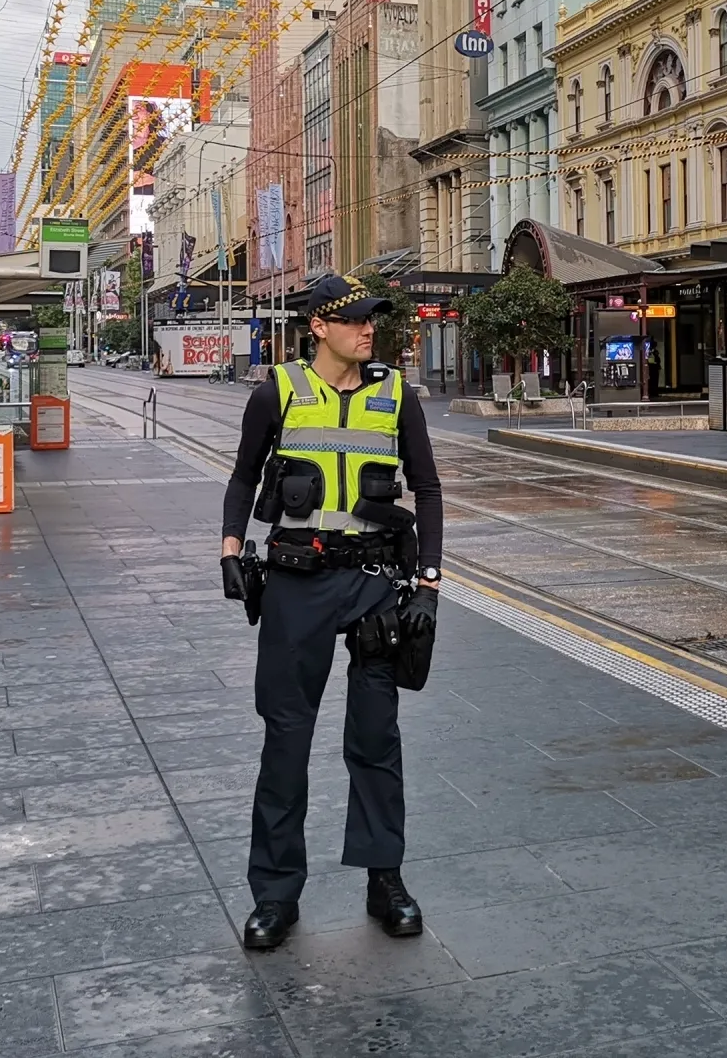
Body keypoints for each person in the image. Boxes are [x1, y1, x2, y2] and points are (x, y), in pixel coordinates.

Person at [220, 272, 444, 951]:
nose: (367, 329)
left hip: (376, 579)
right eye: (352, 319)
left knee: (376, 738)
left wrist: (428, 584)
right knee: (286, 737)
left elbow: (428, 491)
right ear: (317, 325)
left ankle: (386, 880)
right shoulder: (276, 394)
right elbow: (241, 474)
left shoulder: (397, 396)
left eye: (372, 319)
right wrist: (231, 548)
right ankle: (275, 895)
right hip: (296, 581)